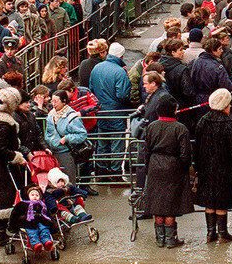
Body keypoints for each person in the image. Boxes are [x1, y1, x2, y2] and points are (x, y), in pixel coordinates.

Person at [136, 99, 192, 248]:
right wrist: (185, 169)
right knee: (170, 205)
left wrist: (148, 167)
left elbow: (146, 150)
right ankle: (171, 239)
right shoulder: (180, 128)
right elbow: (185, 154)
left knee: (157, 204)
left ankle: (159, 239)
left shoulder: (152, 127)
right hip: (173, 167)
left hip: (155, 166)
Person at [194, 88, 232, 243]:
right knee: (222, 201)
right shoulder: (228, 124)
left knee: (209, 201)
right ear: (223, 105)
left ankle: (210, 233)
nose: (230, 106)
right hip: (224, 168)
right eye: (228, 104)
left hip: (206, 168)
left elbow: (196, 146)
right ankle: (223, 233)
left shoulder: (203, 121)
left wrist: (196, 167)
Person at [0, 87, 27, 246]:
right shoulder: (5, 124)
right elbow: (0, 148)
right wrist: (16, 156)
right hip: (4, 167)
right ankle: (0, 234)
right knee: (3, 200)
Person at [88, 41, 132, 173]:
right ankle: (115, 172)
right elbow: (123, 95)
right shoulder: (120, 72)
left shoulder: (97, 68)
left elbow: (91, 89)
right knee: (117, 144)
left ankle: (101, 170)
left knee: (102, 143)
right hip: (116, 113)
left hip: (100, 112)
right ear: (121, 56)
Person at [45, 90, 88, 183]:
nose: (53, 104)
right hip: (52, 153)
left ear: (64, 102)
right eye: (52, 101)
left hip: (65, 153)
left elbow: (82, 135)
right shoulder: (50, 115)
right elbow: (48, 132)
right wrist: (47, 143)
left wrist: (67, 138)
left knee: (68, 181)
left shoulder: (72, 117)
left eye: (56, 101)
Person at [9, 185, 55, 252]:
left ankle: (47, 242)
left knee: (44, 229)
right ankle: (36, 244)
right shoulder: (23, 204)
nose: (34, 197)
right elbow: (14, 214)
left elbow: (47, 215)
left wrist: (52, 224)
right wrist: (12, 226)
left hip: (41, 221)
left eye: (37, 195)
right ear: (28, 196)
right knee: (32, 231)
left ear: (40, 197)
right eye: (32, 195)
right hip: (29, 222)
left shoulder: (42, 205)